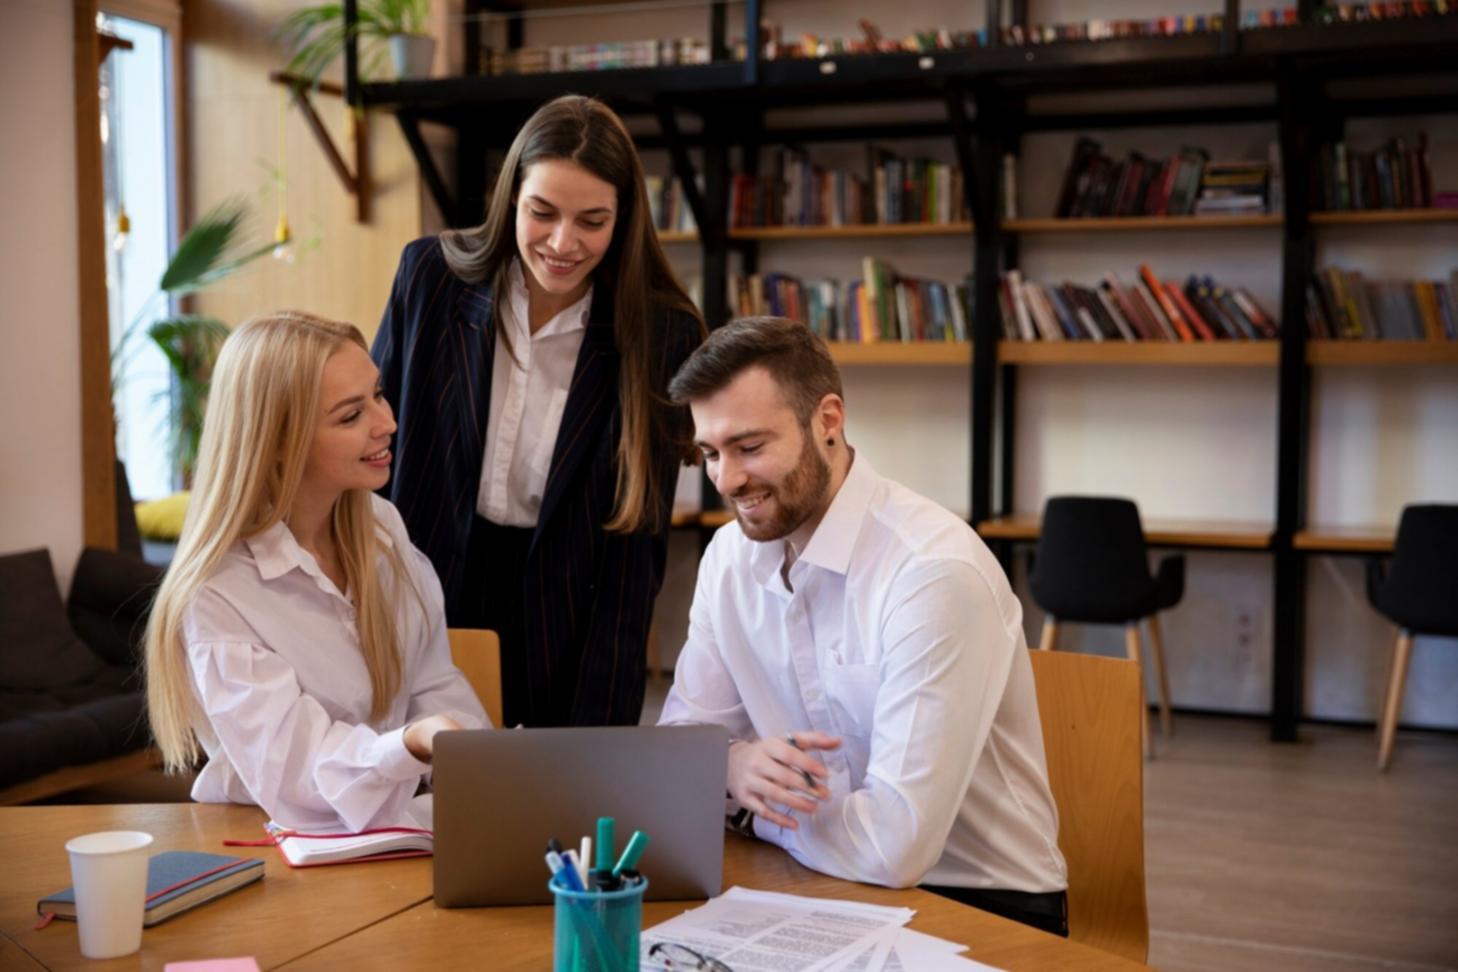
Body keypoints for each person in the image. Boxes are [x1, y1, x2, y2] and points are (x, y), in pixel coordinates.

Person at [658, 317, 1069, 936]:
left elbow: (895, 846)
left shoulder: (932, 572)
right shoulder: (727, 558)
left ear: (827, 421)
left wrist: (744, 806)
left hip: (978, 903)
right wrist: (732, 763)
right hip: (812, 879)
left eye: (749, 448)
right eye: (710, 454)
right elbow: (679, 747)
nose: (726, 480)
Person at [372, 95, 705, 728]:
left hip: (568, 606)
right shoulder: (430, 280)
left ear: (624, 219)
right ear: (511, 199)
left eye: (592, 221)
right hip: (423, 580)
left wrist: (603, 729)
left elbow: (638, 550)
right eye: (542, 212)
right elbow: (373, 449)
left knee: (547, 804)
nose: (562, 242)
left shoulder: (661, 331)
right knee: (417, 796)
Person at [144, 312, 488, 834]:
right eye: (351, 416)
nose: (387, 422)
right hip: (271, 848)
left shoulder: (380, 527)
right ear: (278, 441)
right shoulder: (219, 594)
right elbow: (298, 776)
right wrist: (413, 744)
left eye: (378, 394)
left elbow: (432, 682)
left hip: (391, 832)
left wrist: (486, 772)